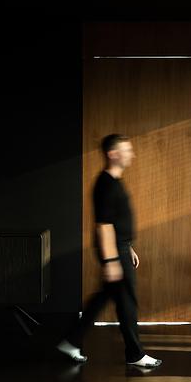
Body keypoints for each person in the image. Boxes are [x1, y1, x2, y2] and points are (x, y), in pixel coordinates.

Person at [56, 134, 162, 368]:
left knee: (104, 298)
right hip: (115, 253)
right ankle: (135, 354)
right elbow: (103, 226)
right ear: (113, 154)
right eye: (127, 150)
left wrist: (128, 247)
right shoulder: (105, 184)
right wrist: (113, 259)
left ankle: (70, 341)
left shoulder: (113, 182)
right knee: (127, 304)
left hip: (121, 249)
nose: (131, 154)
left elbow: (116, 221)